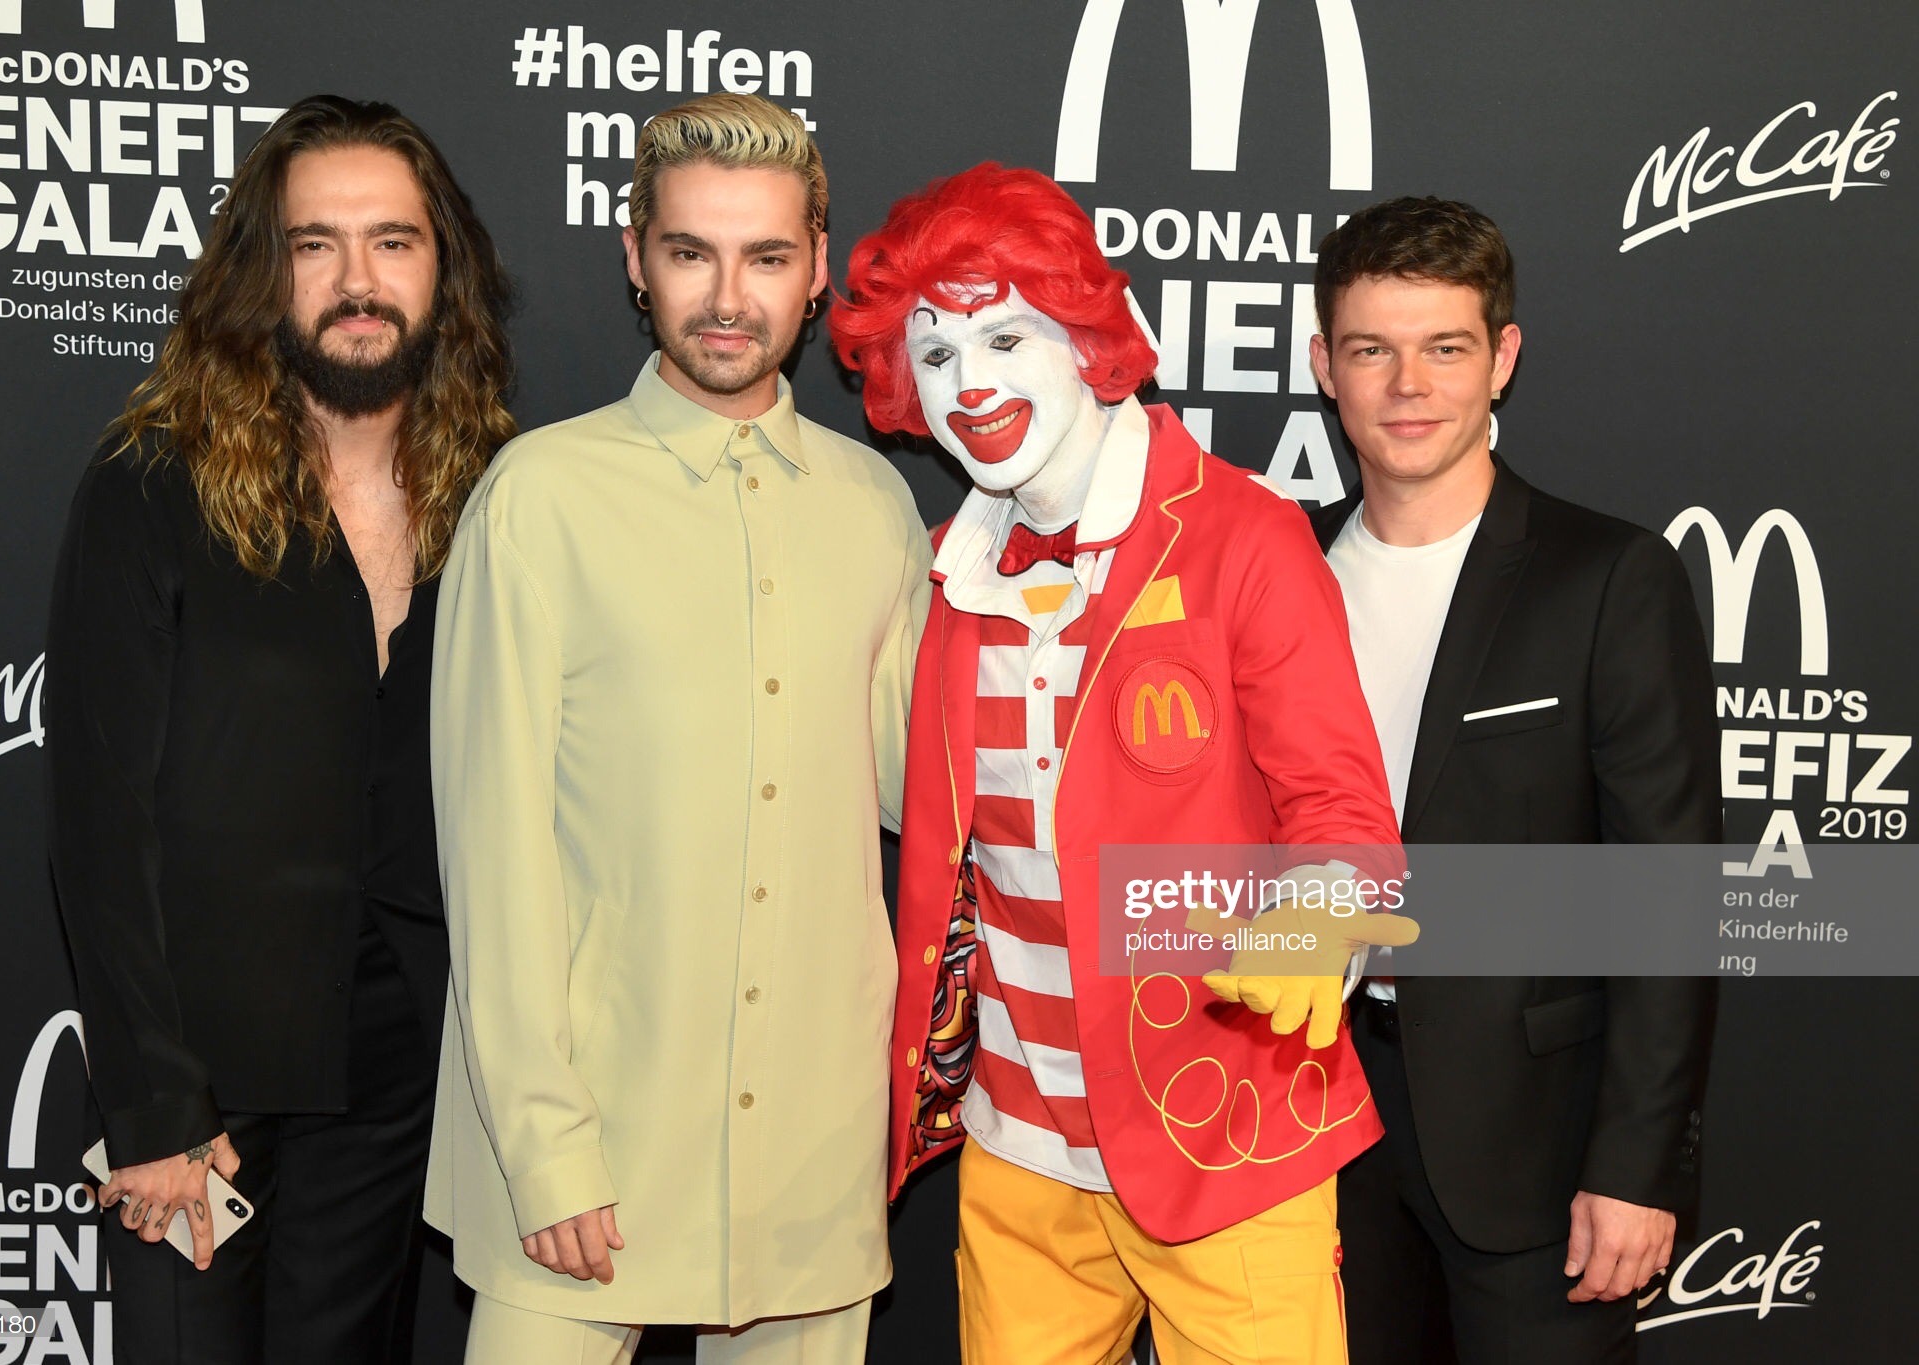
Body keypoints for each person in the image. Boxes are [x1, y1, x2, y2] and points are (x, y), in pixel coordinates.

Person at [831, 162, 1410, 1365]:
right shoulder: (949, 572)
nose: (969, 381)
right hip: (1016, 1146)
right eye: (933, 355)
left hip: (1226, 1140)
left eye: (1003, 333)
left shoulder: (1241, 537)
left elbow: (1341, 812)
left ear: (1085, 336)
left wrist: (1313, 928)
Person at [425, 92, 932, 1365]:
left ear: (816, 271)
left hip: (809, 1155)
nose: (726, 295)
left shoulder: (876, 509)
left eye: (765, 257)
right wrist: (543, 1148)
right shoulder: (540, 497)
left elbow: (917, 801)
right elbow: (492, 855)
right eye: (690, 252)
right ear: (634, 256)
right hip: (586, 1150)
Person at [46, 95, 515, 1361]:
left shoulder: (500, 496)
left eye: (392, 242)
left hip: (401, 1075)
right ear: (266, 269)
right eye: (317, 245)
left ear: (443, 269)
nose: (357, 281)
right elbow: (98, 820)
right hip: (204, 1079)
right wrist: (151, 1104)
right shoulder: (154, 482)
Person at [1307, 195, 1720, 1364]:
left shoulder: (1606, 578)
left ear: (1501, 360)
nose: (1406, 385)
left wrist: (1636, 1167)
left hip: (1534, 1149)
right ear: (1322, 368)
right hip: (1307, 1125)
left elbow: (1668, 894)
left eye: (1443, 348)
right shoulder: (1275, 568)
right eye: (1368, 350)